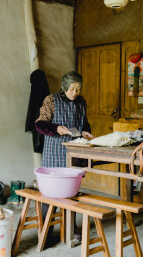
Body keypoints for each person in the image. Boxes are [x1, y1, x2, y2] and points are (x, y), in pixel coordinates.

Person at [35, 71, 95, 242]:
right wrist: (56, 129)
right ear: (64, 87)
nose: (75, 93)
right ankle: (46, 232)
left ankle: (71, 229)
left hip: (73, 152)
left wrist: (85, 132)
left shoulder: (81, 102)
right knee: (50, 193)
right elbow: (40, 124)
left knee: (71, 192)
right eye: (72, 89)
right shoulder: (51, 100)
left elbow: (84, 123)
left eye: (78, 89)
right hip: (54, 152)